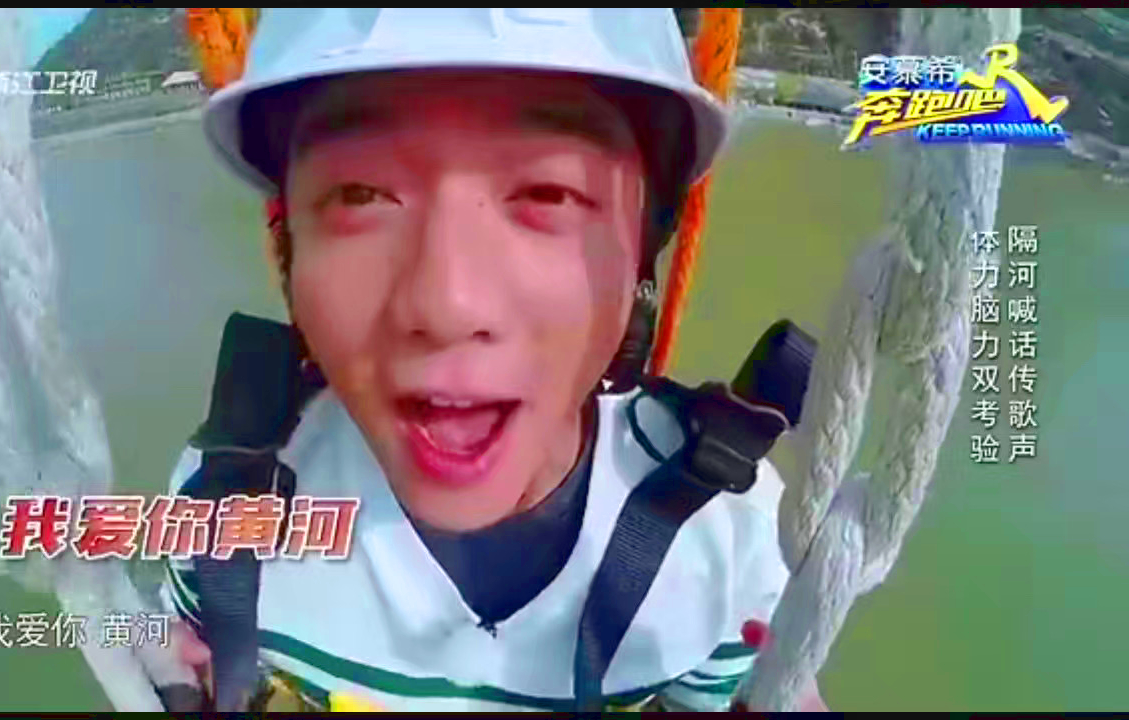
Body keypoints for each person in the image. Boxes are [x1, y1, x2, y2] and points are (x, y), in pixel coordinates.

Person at [160, 8, 825, 712]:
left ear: (643, 244)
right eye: (360, 194)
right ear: (290, 243)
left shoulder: (731, 545)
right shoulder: (227, 511)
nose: (448, 305)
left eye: (548, 193)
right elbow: (179, 641)